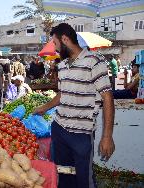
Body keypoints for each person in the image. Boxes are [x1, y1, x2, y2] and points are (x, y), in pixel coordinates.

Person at [33, 23, 115, 188]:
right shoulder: (62, 65)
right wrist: (44, 107)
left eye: (55, 43)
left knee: (84, 179)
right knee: (63, 175)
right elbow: (62, 94)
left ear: (65, 39)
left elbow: (107, 98)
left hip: (81, 134)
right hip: (59, 129)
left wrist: (107, 136)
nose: (55, 49)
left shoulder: (95, 61)